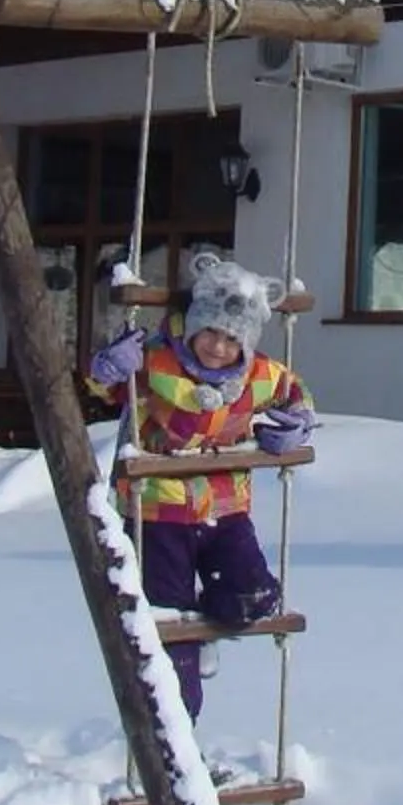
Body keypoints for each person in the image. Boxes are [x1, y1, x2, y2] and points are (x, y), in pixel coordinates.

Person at [86, 247, 318, 719]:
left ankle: (209, 625)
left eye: (231, 339)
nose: (217, 346)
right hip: (158, 512)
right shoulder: (155, 360)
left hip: (224, 509)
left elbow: (297, 394)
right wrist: (109, 367)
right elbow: (103, 386)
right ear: (194, 326)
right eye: (210, 331)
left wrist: (297, 422)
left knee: (251, 593)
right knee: (167, 622)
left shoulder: (258, 376)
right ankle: (177, 723)